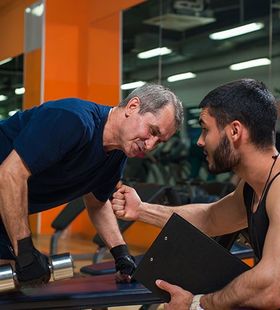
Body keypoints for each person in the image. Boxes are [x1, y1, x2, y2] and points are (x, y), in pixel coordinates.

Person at [112, 79, 280, 309]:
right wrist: (141, 210)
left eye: (206, 129)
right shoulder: (252, 187)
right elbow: (209, 218)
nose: (200, 141)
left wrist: (198, 304)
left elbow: (272, 288)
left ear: (234, 131)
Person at [0, 83, 183, 286]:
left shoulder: (116, 156)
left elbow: (98, 202)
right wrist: (25, 250)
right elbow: (10, 174)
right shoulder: (73, 120)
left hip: (2, 212)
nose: (150, 145)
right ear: (132, 106)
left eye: (159, 141)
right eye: (152, 131)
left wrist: (121, 255)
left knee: (14, 281)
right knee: (15, 276)